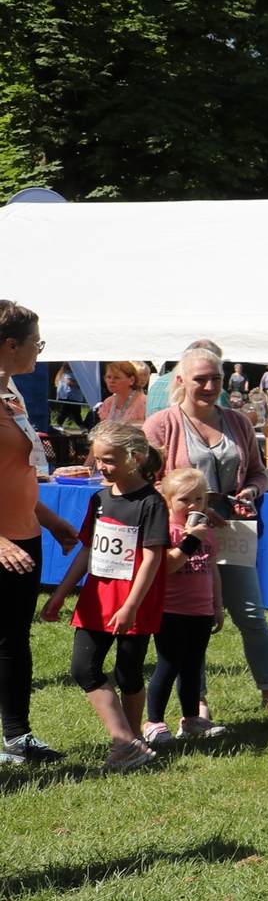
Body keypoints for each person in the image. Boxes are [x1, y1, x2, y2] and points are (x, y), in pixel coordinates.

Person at [144, 349, 268, 719]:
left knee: (251, 613)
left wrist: (251, 492)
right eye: (200, 379)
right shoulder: (161, 425)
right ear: (180, 380)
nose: (209, 386)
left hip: (233, 530)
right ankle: (196, 702)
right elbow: (148, 483)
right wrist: (191, 510)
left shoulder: (238, 422)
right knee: (192, 619)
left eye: (216, 378)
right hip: (183, 537)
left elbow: (258, 472)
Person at [40, 421, 170, 773]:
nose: (101, 467)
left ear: (135, 458)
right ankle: (125, 740)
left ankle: (132, 741)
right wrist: (60, 595)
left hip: (134, 601)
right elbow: (87, 550)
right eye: (97, 459)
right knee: (83, 668)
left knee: (129, 674)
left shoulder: (151, 503)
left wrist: (131, 605)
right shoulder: (99, 499)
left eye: (109, 460)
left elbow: (153, 558)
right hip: (97, 599)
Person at [2, 303, 83, 765]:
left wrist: (50, 520)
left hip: (25, 536)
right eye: (36, 342)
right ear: (10, 345)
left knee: (13, 640)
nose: (39, 350)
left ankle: (18, 738)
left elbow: (16, 474)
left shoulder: (11, 397)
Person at [143, 468, 224, 744]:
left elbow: (213, 570)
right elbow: (167, 566)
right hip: (171, 612)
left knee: (192, 668)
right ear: (168, 501)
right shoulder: (167, 530)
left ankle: (191, 719)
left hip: (201, 611)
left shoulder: (206, 533)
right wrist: (192, 539)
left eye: (199, 499)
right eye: (184, 500)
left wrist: (217, 606)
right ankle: (154, 722)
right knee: (168, 666)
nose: (193, 506)